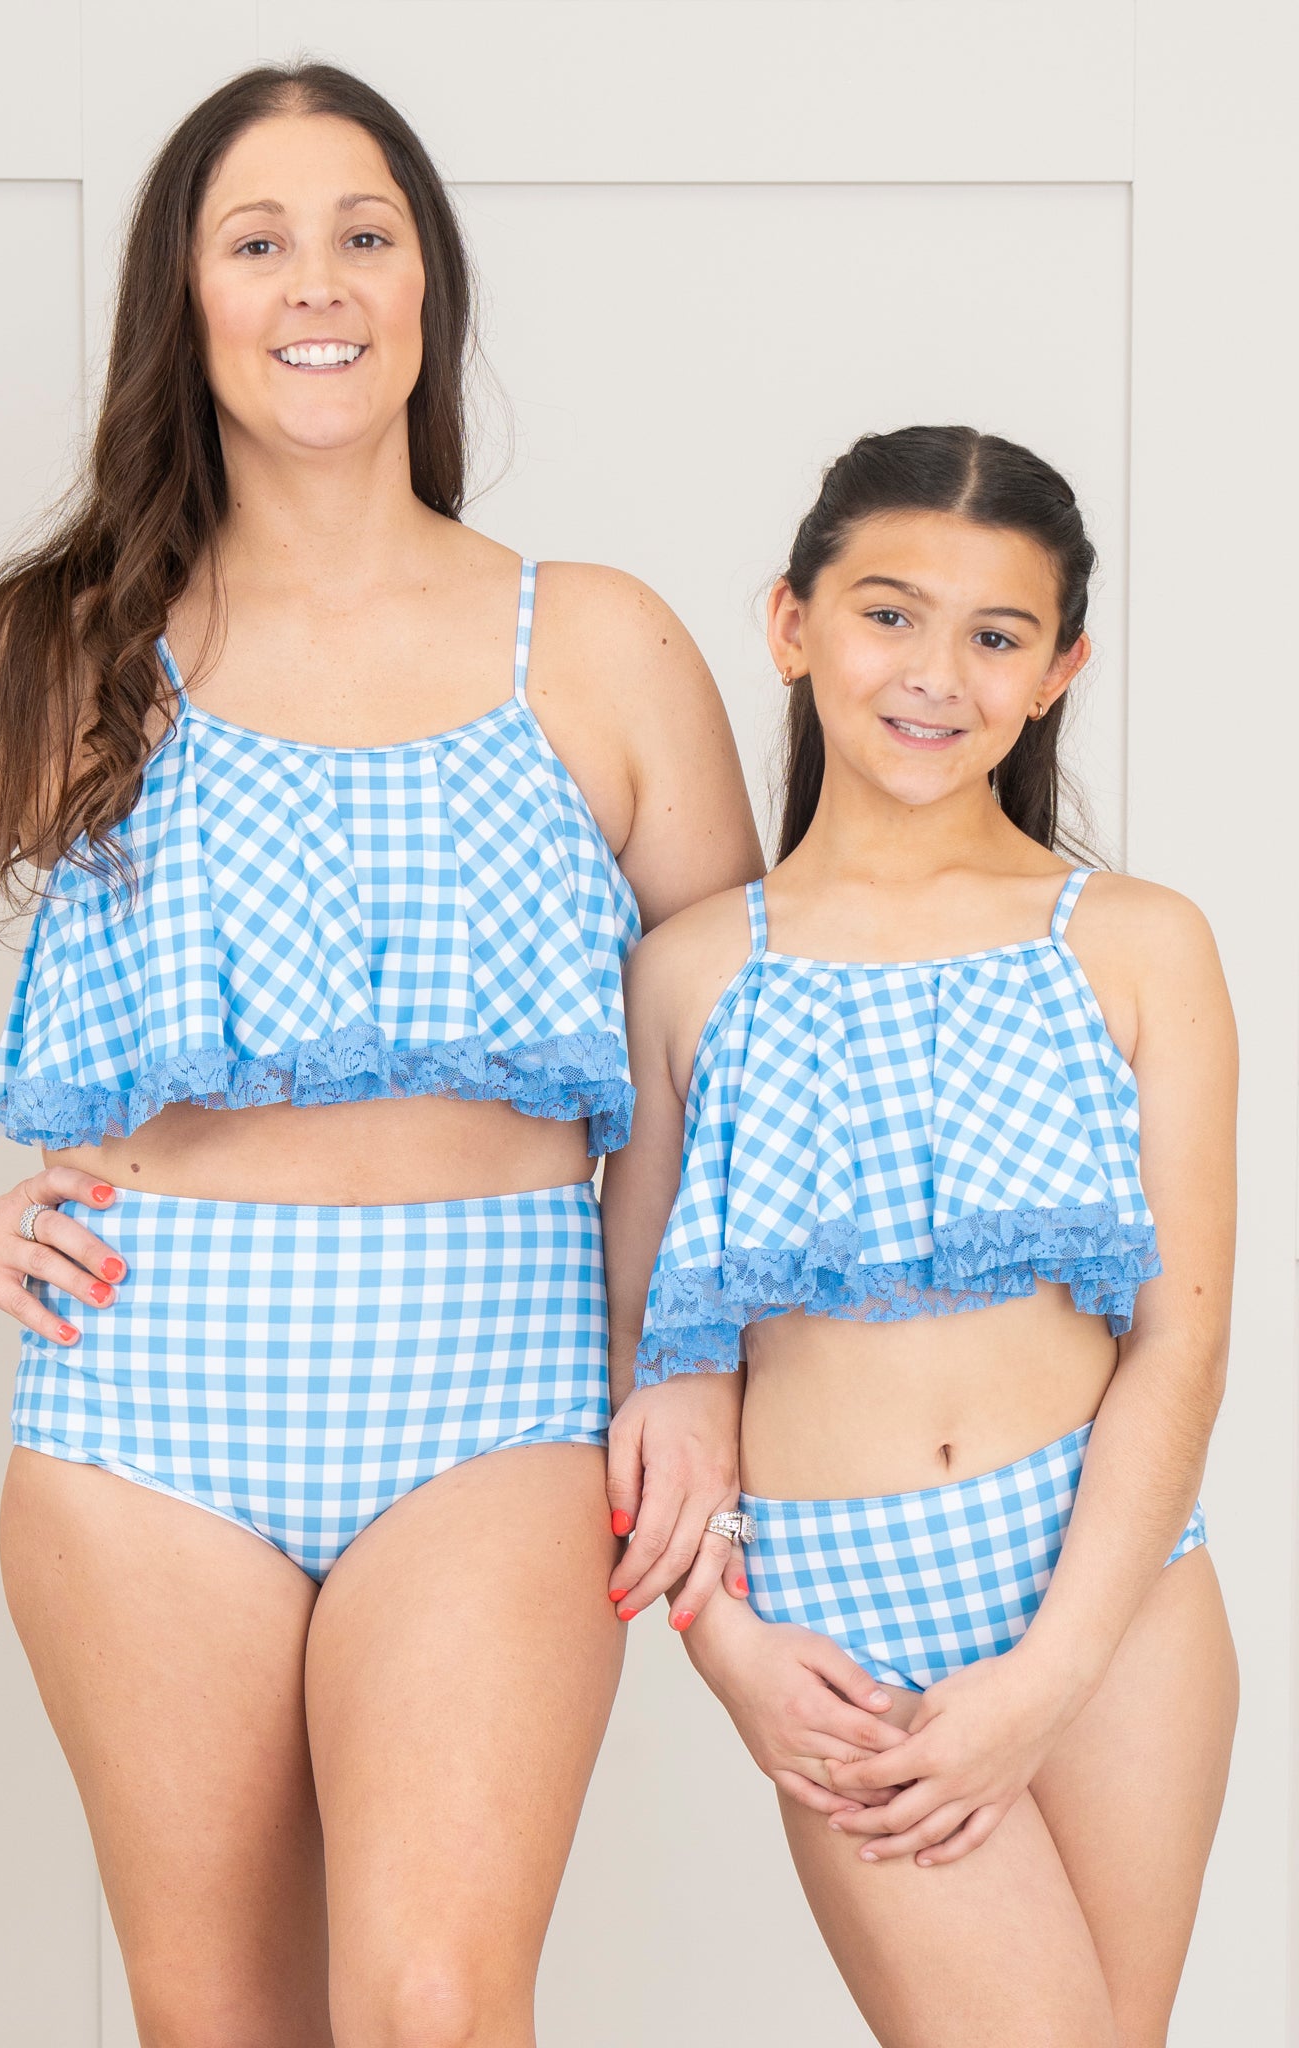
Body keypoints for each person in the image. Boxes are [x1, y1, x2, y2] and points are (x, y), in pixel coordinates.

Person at [0, 64, 760, 2046]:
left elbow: (737, 1049)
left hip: (503, 1367)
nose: (318, 281)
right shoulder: (69, 646)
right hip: (151, 1383)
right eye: (258, 239)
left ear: (425, 287)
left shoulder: (599, 643)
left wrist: (700, 1365)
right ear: (188, 299)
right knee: (219, 2017)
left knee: (435, 2003)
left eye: (364, 233)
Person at [602, 425, 1237, 2046]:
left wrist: (1053, 1672)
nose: (935, 673)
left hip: (1112, 1592)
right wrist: (729, 1649)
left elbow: (1180, 1342)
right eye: (889, 613)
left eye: (997, 634)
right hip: (841, 1628)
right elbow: (644, 1363)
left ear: (1059, 672)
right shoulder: (688, 973)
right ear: (792, 623)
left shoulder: (1139, 945)